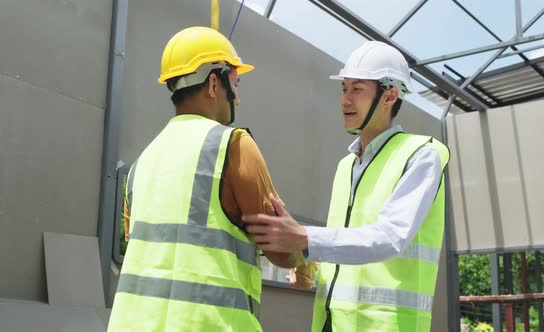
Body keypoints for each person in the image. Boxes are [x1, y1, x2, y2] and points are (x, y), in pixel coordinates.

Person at [243, 41, 450, 331]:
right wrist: (309, 267)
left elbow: (390, 237)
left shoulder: (421, 155)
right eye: (344, 89)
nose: (345, 100)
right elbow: (351, 247)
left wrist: (305, 239)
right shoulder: (346, 166)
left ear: (389, 96)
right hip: (330, 323)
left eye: (357, 89)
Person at [107, 27, 303, 331]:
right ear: (214, 83)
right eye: (235, 84)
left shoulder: (141, 163)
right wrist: (304, 257)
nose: (236, 98)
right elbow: (282, 249)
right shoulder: (234, 146)